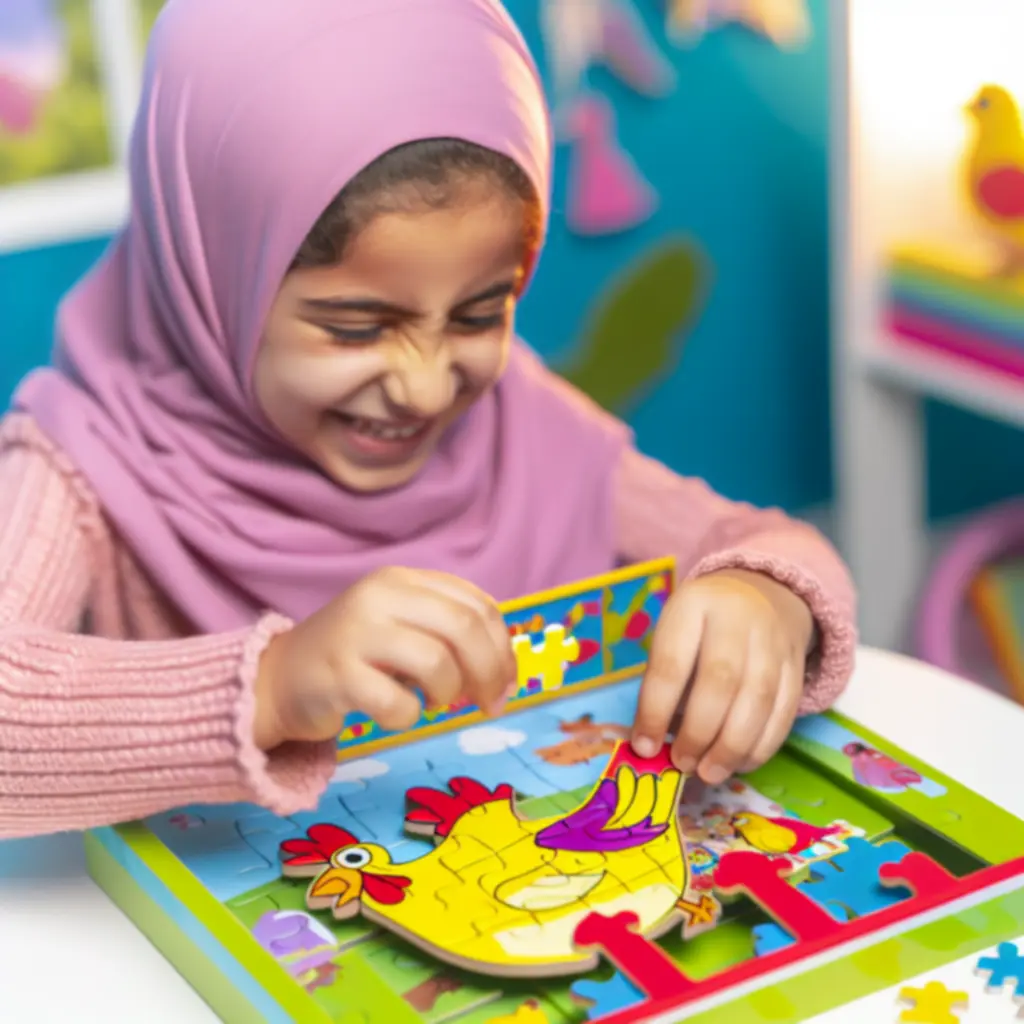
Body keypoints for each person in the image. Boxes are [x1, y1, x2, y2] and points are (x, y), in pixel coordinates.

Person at [0, 0, 855, 839]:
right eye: (357, 327)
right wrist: (274, 684)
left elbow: (766, 539)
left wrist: (766, 596)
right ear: (213, 276)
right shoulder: (80, 460)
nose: (422, 387)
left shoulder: (521, 413)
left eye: (480, 314)